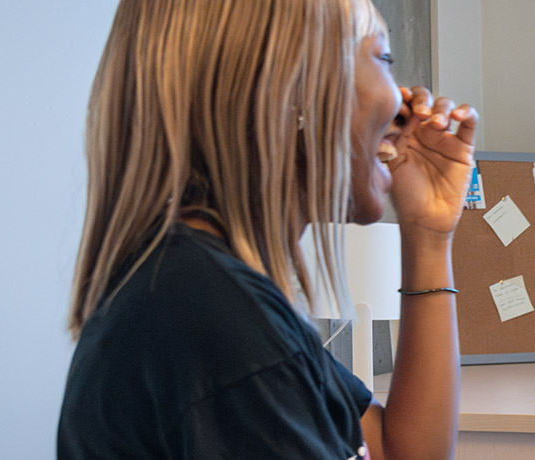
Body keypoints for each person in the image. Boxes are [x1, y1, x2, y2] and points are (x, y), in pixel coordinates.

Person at [57, 0, 477, 458]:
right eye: (382, 57)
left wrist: (429, 238)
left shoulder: (199, 290)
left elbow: (401, 452)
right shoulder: (214, 319)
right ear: (293, 88)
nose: (404, 105)